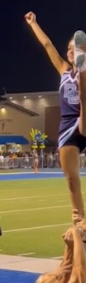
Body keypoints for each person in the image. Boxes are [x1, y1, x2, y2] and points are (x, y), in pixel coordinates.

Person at [25, 13, 85, 216]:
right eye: (68, 49)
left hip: (84, 117)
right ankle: (80, 219)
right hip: (68, 127)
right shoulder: (63, 70)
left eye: (74, 48)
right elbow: (48, 45)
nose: (69, 52)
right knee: (71, 178)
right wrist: (34, 24)